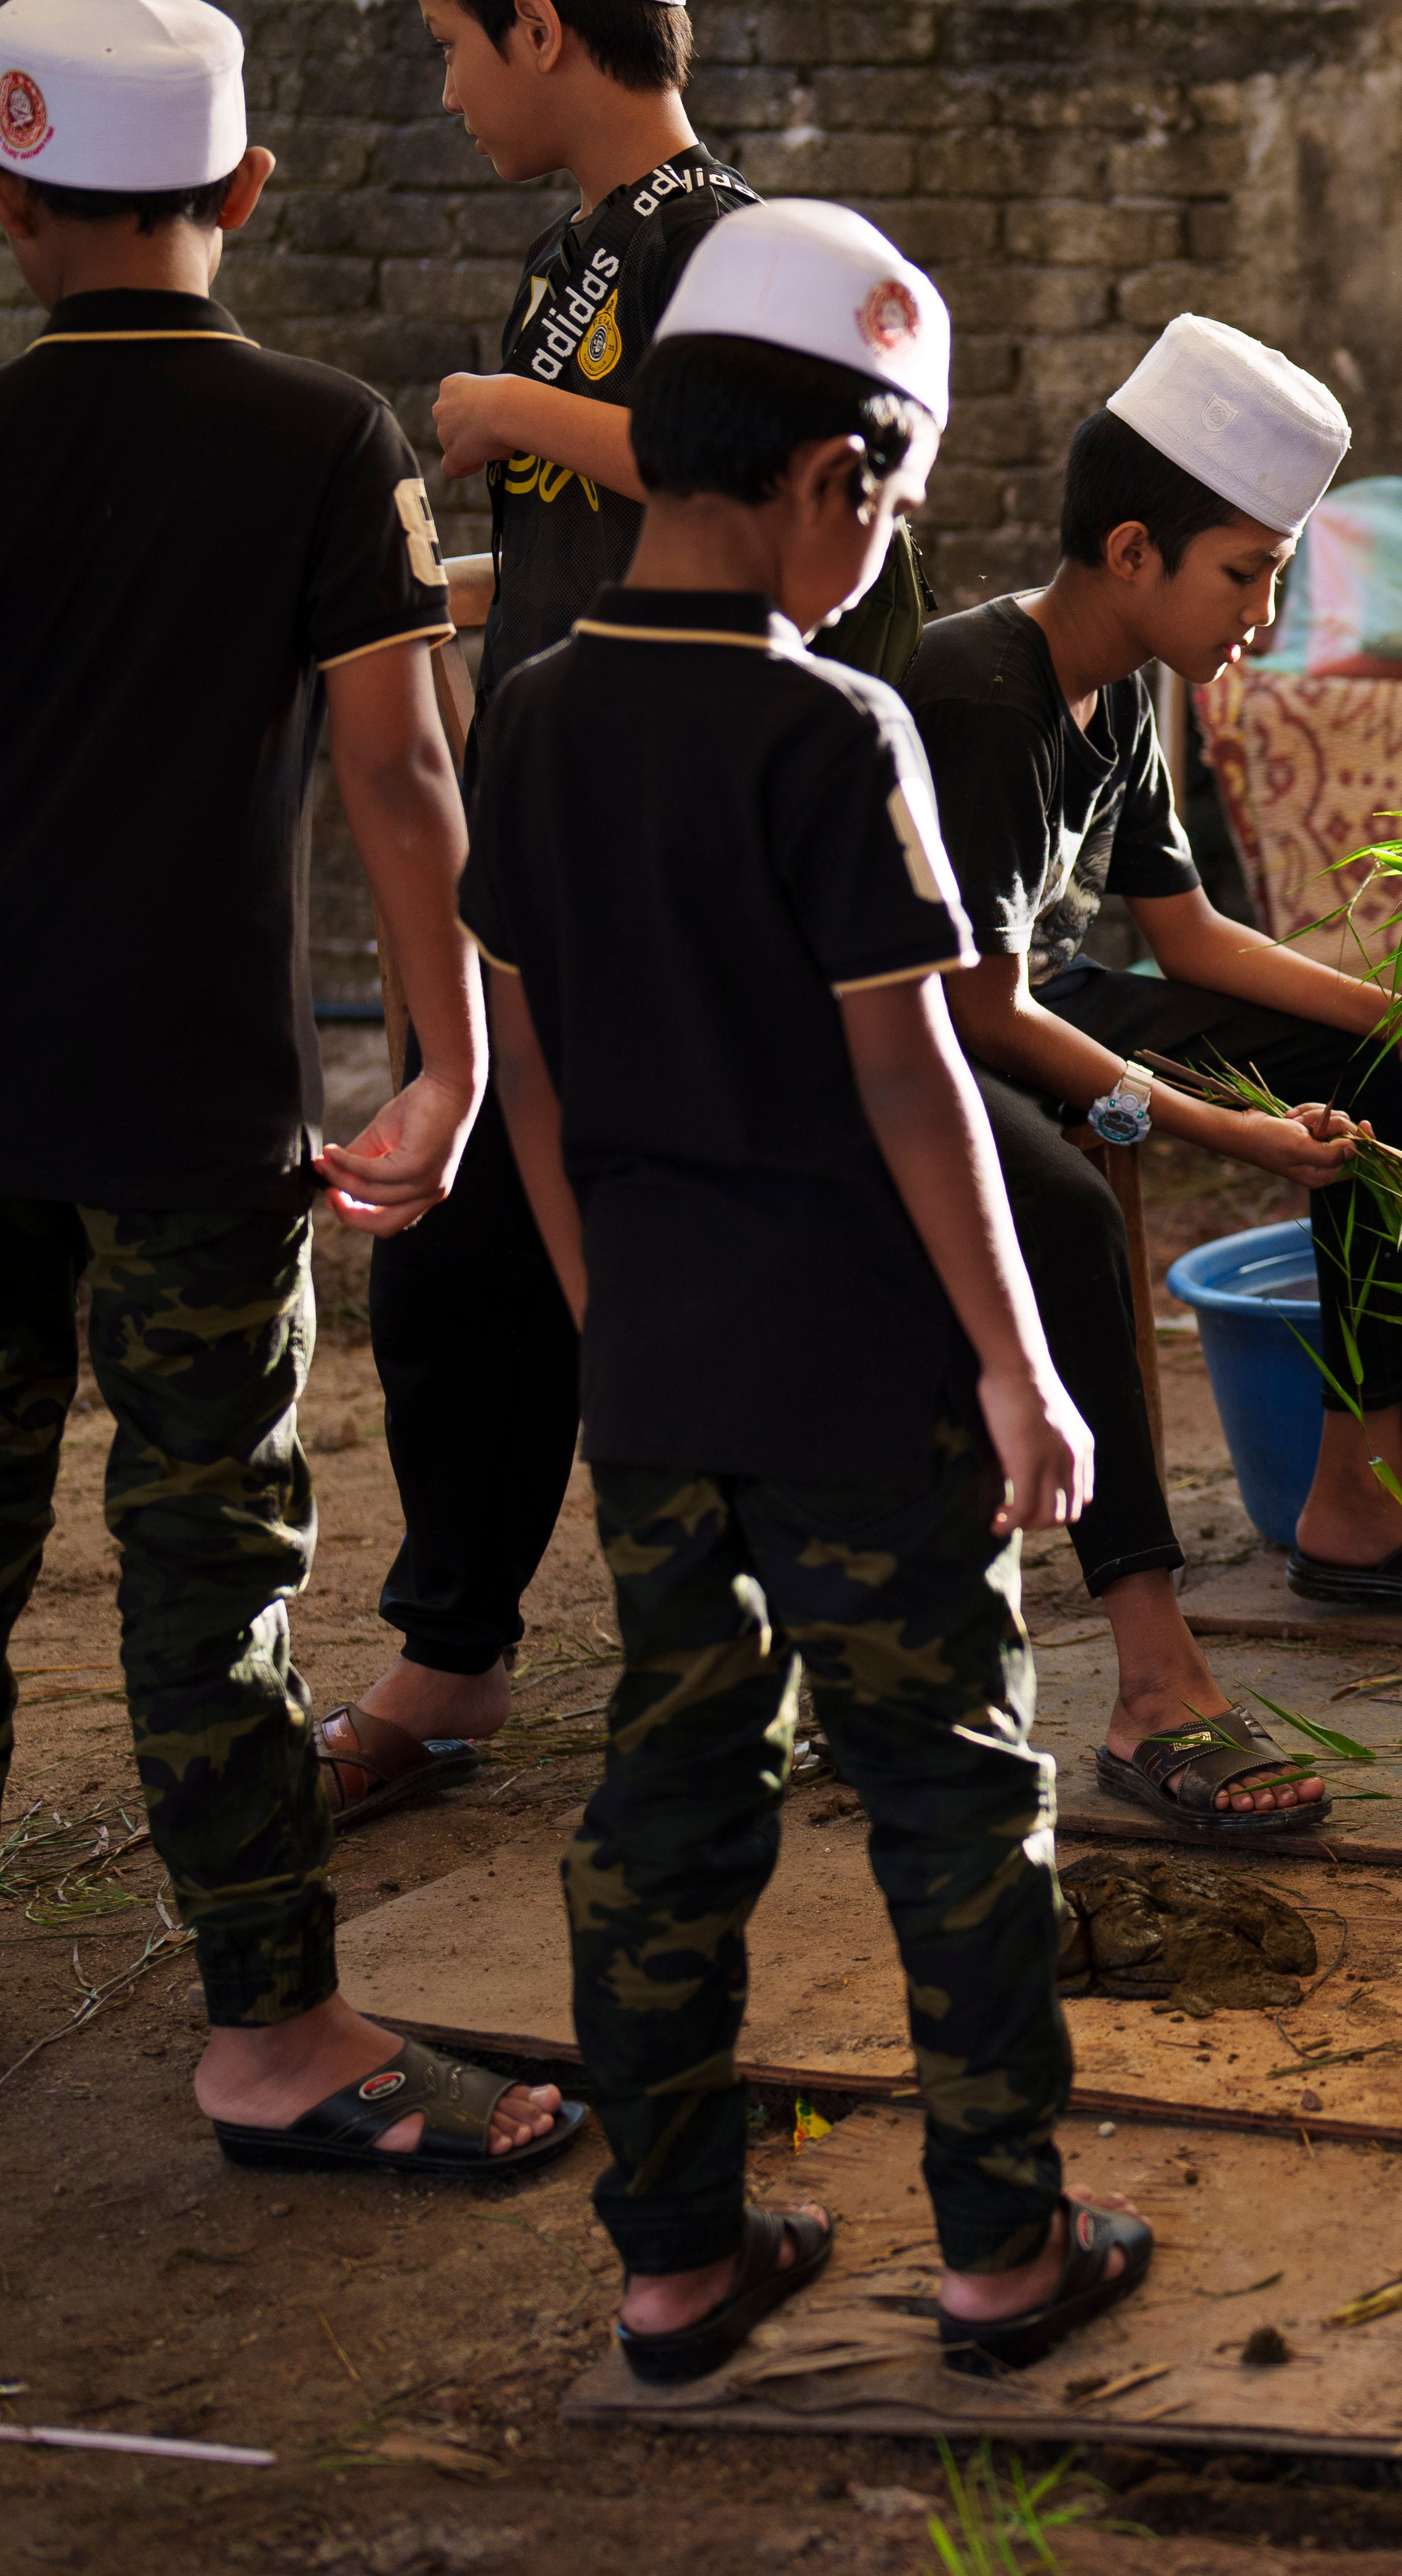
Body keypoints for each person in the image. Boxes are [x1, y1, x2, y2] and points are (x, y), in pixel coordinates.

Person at [0, 0, 575, 2180]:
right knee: (205, 1553)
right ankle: (272, 2030)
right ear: (246, 188)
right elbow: (401, 766)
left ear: (3, 195)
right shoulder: (328, 440)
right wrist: (452, 1050)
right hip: (199, 1117)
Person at [456, 197, 1145, 2381]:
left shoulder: (536, 716)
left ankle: (669, 2257)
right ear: (830, 478)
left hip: (655, 1371)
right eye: (891, 504)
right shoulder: (833, 730)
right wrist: (1022, 1369)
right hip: (862, 1377)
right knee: (949, 1784)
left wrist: (605, 1312)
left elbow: (532, 1075)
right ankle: (1001, 2253)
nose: (881, 550)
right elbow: (913, 1076)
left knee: (668, 1798)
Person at [331, 0, 927, 1830]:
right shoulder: (576, 240)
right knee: (455, 1259)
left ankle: (826, 1639)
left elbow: (725, 471)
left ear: (536, 22)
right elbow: (609, 542)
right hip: (549, 836)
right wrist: (444, 604)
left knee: (694, 1252)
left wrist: (506, 405)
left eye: (451, 46)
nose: (446, 90)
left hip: (681, 851)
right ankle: (457, 1642)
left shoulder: (718, 244)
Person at [906, 319, 1402, 1725]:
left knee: (1363, 1068)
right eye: (1246, 577)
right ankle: (1145, 1628)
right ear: (1133, 549)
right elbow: (978, 1005)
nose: (1259, 621)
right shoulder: (983, 694)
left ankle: (1357, 1505)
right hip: (909, 1039)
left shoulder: (1130, 684)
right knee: (1076, 1222)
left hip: (1041, 999)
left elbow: (1186, 929)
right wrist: (1219, 1125)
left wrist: (1397, 1014)